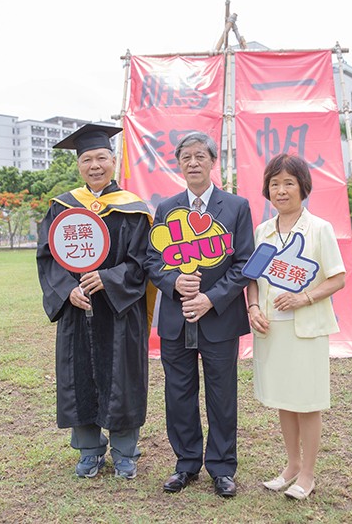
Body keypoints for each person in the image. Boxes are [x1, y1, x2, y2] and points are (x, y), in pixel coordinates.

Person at [36, 123, 153, 480]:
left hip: (120, 311)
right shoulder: (63, 208)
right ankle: (89, 450)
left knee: (123, 377)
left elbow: (144, 262)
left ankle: (124, 451)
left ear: (114, 160)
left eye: (102, 157)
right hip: (79, 308)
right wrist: (66, 290)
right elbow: (48, 257)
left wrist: (109, 278)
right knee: (80, 374)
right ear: (78, 166)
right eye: (87, 159)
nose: (95, 165)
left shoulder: (134, 210)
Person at [144, 131, 254, 498]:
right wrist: (173, 282)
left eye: (200, 156)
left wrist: (210, 298)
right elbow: (152, 260)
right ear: (179, 164)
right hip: (176, 318)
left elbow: (243, 264)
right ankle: (186, 464)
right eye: (186, 157)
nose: (193, 163)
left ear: (212, 162)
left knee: (222, 395)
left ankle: (222, 467)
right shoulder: (166, 208)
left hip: (219, 318)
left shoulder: (236, 207)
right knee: (179, 394)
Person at [246, 153, 347, 501]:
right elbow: (253, 278)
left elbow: (338, 279)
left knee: (307, 401)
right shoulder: (262, 231)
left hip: (307, 330)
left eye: (289, 182)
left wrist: (304, 297)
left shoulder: (320, 229)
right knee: (284, 400)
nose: (281, 190)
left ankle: (307, 473)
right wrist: (254, 307)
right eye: (274, 183)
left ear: (303, 187)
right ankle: (290, 466)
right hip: (273, 331)